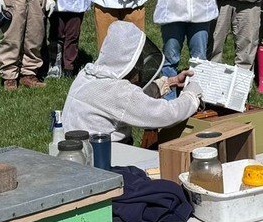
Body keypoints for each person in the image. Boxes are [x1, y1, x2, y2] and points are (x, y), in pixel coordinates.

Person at [61, 21, 202, 142]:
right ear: (129, 63)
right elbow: (164, 115)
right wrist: (191, 97)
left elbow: (134, 100)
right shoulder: (117, 91)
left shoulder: (88, 74)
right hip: (104, 159)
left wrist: (169, 83)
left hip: (75, 152)